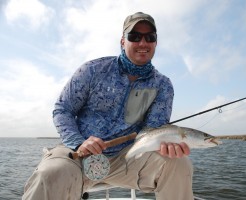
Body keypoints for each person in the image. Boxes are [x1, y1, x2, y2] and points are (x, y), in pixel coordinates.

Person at [23, 12, 194, 200]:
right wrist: (79, 142)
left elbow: (154, 129)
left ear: (155, 42)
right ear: (122, 41)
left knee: (179, 164)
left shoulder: (163, 85)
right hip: (77, 154)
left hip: (129, 157)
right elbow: (63, 109)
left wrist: (166, 145)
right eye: (134, 37)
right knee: (50, 174)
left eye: (150, 37)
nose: (143, 43)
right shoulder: (92, 70)